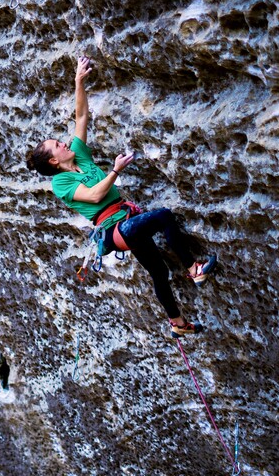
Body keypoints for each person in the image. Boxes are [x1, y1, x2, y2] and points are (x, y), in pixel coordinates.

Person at [26, 55, 216, 338]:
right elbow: (92, 196)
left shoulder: (80, 155)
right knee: (163, 215)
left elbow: (81, 117)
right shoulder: (62, 182)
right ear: (54, 161)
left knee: (159, 273)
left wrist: (79, 80)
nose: (64, 142)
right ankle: (193, 267)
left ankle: (178, 324)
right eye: (57, 145)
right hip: (114, 229)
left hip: (126, 220)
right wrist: (115, 171)